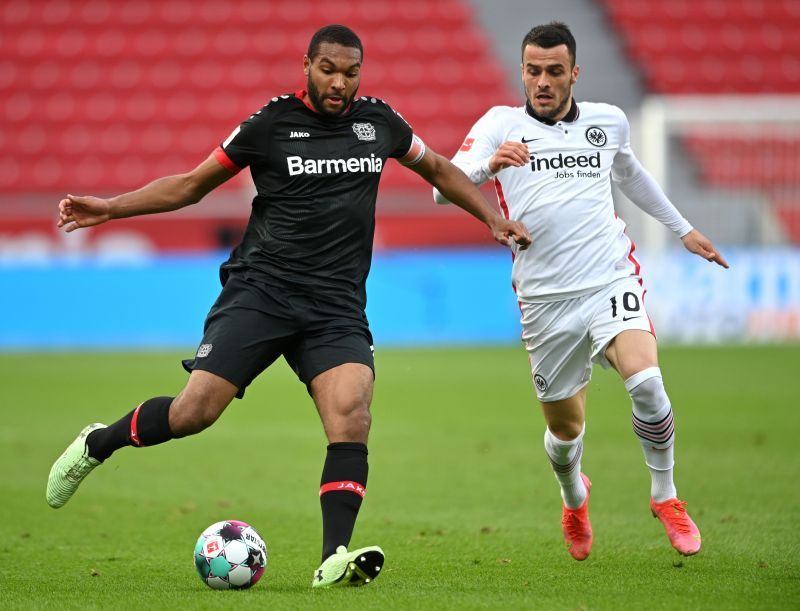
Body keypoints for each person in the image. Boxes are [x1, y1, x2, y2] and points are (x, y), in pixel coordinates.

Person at [46, 24, 531, 588]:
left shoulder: (380, 123)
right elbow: (190, 186)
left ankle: (335, 555)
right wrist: (109, 208)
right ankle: (96, 443)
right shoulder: (270, 124)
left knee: (352, 414)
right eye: (329, 69)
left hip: (335, 306)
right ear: (307, 65)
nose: (339, 83)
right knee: (194, 412)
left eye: (351, 72)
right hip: (262, 293)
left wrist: (493, 218)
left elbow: (441, 170)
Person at [433, 22, 727, 561]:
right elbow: (440, 185)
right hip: (545, 299)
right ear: (522, 70)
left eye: (553, 71)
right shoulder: (501, 124)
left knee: (648, 383)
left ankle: (666, 496)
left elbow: (632, 175)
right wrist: (488, 164)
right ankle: (574, 497)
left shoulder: (606, 122)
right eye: (532, 70)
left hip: (609, 277)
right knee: (566, 433)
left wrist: (684, 229)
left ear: (574, 72)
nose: (542, 81)